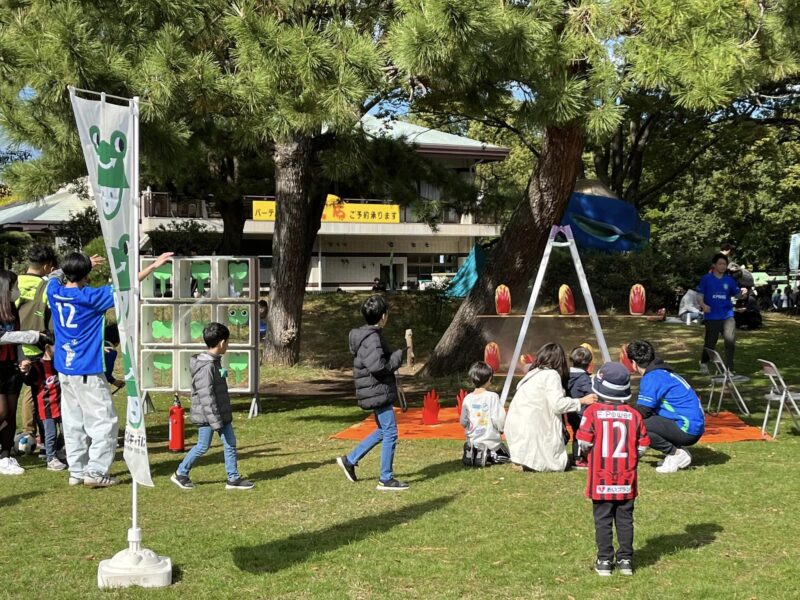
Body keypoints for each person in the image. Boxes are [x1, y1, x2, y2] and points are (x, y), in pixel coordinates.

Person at [47, 251, 172, 488]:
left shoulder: (54, 291)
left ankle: (77, 470)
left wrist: (81, 265)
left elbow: (53, 276)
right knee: (104, 421)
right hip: (87, 368)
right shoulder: (92, 297)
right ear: (86, 273)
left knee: (73, 420)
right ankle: (95, 471)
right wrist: (154, 266)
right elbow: (126, 286)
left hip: (65, 367)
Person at [576, 362, 650, 577]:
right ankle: (626, 560)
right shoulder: (634, 415)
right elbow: (643, 445)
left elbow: (583, 442)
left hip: (600, 478)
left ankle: (604, 561)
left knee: (603, 520)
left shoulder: (592, 412)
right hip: (626, 479)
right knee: (625, 519)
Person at [336, 295, 407, 491]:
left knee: (383, 430)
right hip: (377, 391)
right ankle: (386, 479)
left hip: (375, 390)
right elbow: (378, 366)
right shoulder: (372, 338)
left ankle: (350, 460)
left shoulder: (368, 336)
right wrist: (397, 358)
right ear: (383, 316)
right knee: (390, 431)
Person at [171, 323, 254, 490]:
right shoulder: (206, 367)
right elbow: (206, 397)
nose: (228, 345)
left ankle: (233, 478)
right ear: (222, 343)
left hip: (220, 414)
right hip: (209, 416)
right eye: (228, 342)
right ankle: (181, 473)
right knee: (202, 446)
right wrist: (216, 422)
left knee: (230, 442)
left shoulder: (215, 362)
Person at [504, 343, 595, 472]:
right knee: (557, 463)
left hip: (516, 425)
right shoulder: (551, 375)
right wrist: (582, 400)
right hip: (530, 425)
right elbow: (558, 405)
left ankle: (523, 461)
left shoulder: (533, 373)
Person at [626, 341, 705, 474]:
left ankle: (675, 453)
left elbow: (642, 412)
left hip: (687, 428)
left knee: (636, 423)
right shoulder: (663, 372)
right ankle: (677, 452)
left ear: (633, 363)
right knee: (644, 420)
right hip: (694, 425)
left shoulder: (652, 377)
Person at [0, 270, 46, 476]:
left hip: (11, 366)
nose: (17, 291)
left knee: (10, 413)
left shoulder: (12, 310)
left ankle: (6, 455)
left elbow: (16, 339)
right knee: (1, 411)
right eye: (14, 287)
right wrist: (34, 336)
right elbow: (3, 336)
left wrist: (21, 360)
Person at [16, 244, 58, 444]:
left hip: (12, 344)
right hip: (37, 344)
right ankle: (42, 439)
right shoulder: (45, 286)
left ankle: (27, 433)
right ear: (47, 266)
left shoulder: (14, 282)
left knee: (18, 393)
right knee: (40, 391)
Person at [19, 334, 66, 471]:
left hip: (61, 406)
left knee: (66, 431)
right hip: (46, 407)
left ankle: (57, 450)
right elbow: (28, 381)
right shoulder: (37, 366)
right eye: (57, 346)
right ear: (47, 347)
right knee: (50, 434)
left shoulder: (59, 363)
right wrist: (25, 371)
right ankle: (50, 459)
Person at [459, 361, 508, 466]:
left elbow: (463, 421)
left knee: (475, 445)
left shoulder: (468, 398)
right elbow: (498, 418)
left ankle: (472, 451)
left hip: (472, 439)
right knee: (506, 455)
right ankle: (488, 454)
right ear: (490, 378)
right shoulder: (492, 397)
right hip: (490, 441)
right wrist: (501, 429)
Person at [697, 253, 739, 375]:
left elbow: (736, 294)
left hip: (727, 315)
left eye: (725, 264)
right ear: (714, 265)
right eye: (720, 264)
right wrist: (703, 305)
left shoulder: (729, 280)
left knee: (730, 342)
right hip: (712, 316)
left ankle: (729, 369)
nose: (723, 266)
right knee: (710, 342)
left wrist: (743, 293)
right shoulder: (706, 279)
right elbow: (699, 295)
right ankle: (704, 363)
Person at [566, 346, 593, 469]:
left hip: (571, 409)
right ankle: (578, 458)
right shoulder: (584, 378)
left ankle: (579, 456)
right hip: (581, 411)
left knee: (577, 432)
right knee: (580, 435)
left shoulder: (567, 374)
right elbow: (590, 393)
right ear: (588, 363)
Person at [103, 324, 125, 391]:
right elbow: (106, 373)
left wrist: (113, 381)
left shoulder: (96, 344)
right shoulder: (111, 350)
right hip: (95, 382)